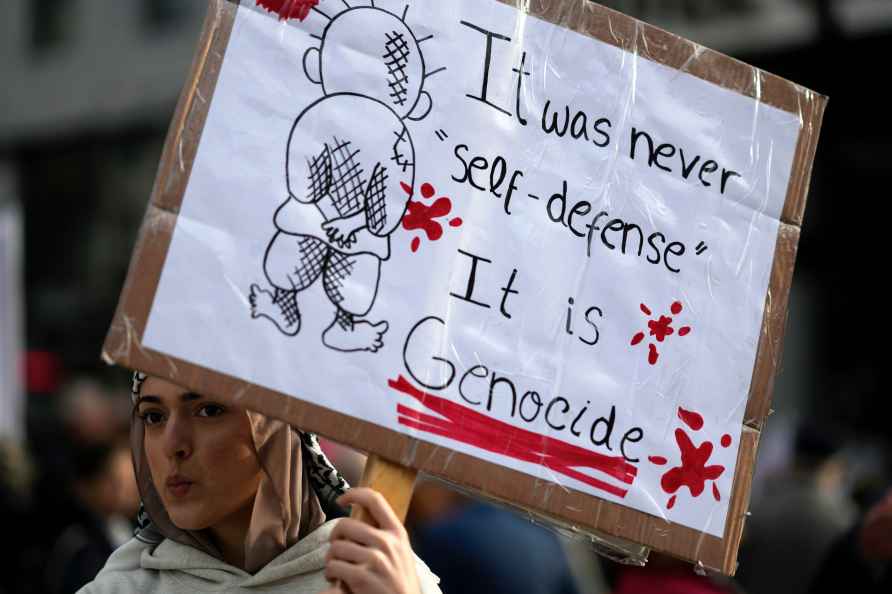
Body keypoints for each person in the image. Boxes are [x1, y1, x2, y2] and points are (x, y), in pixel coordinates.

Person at [78, 373, 441, 593]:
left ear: (278, 427)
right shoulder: (122, 589)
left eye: (208, 410)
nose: (173, 444)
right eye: (153, 416)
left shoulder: (381, 576)